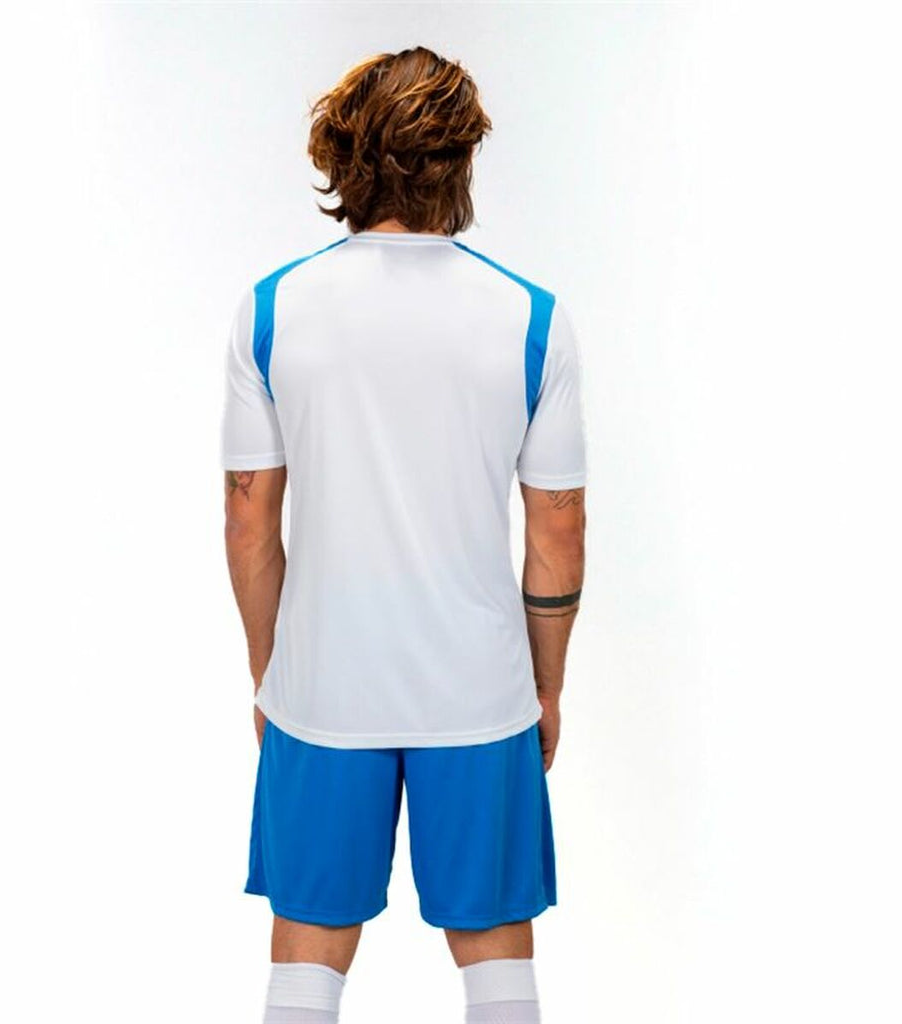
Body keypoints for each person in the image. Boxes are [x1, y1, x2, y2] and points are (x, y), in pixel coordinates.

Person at [222, 46, 587, 1024]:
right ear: (460, 160)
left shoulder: (272, 311)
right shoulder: (530, 319)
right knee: (498, 952)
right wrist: (546, 687)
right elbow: (557, 528)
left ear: (346, 159)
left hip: (322, 685)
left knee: (307, 949)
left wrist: (270, 670)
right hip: (479, 689)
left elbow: (250, 517)